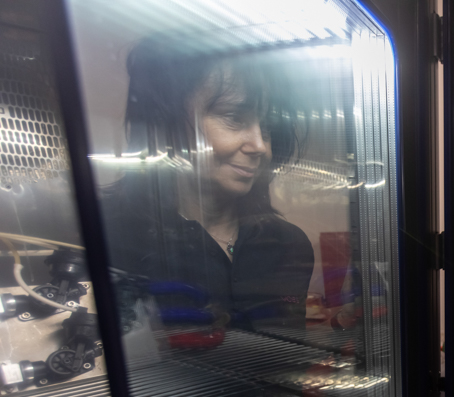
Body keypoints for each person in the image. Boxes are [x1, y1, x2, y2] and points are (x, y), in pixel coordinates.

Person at [101, 35, 314, 331]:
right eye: (233, 118)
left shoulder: (289, 245)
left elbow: (288, 364)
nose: (260, 146)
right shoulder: (109, 236)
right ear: (164, 121)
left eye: (265, 127)